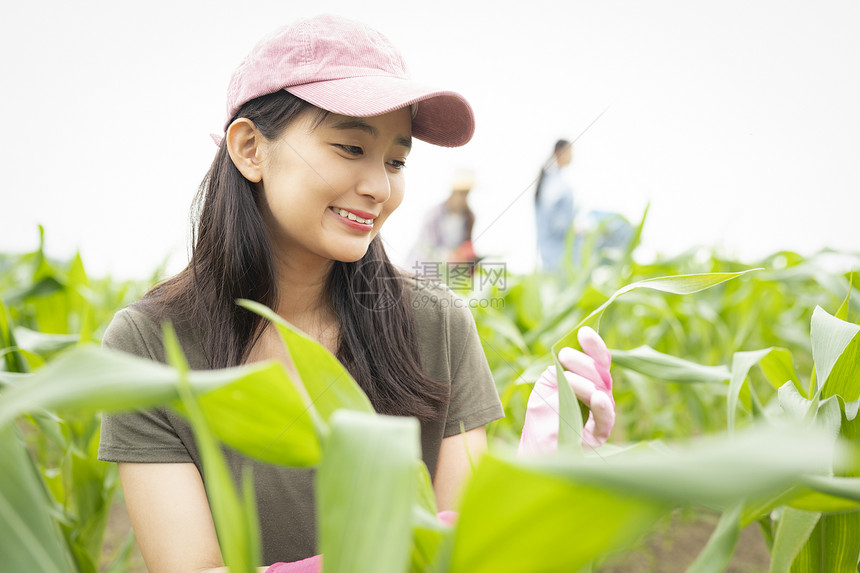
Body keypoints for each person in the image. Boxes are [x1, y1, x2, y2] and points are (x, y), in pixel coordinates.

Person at [96, 15, 615, 573]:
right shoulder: (150, 345)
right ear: (250, 149)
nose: (379, 187)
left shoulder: (437, 323)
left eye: (396, 160)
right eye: (349, 148)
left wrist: (540, 483)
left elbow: (465, 560)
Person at [408, 169, 478, 269]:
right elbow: (426, 247)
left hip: (450, 270)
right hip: (424, 266)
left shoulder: (469, 217)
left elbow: (467, 245)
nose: (463, 198)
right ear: (453, 192)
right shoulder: (433, 214)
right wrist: (449, 256)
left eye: (466, 194)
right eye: (460, 193)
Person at [534, 139, 576, 271]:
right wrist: (573, 228)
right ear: (559, 152)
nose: (572, 156)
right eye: (570, 151)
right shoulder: (554, 182)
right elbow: (555, 221)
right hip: (556, 250)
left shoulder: (554, 179)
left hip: (554, 249)